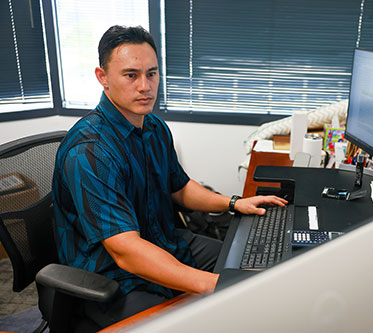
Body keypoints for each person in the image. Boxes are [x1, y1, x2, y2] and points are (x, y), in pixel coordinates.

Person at [52, 25, 287, 329]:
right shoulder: (90, 152)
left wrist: (233, 202)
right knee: (195, 319)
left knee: (248, 260)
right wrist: (213, 285)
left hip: (161, 240)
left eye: (151, 74)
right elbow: (125, 252)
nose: (145, 86)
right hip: (110, 276)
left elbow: (180, 188)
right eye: (131, 75)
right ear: (103, 77)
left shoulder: (153, 126)